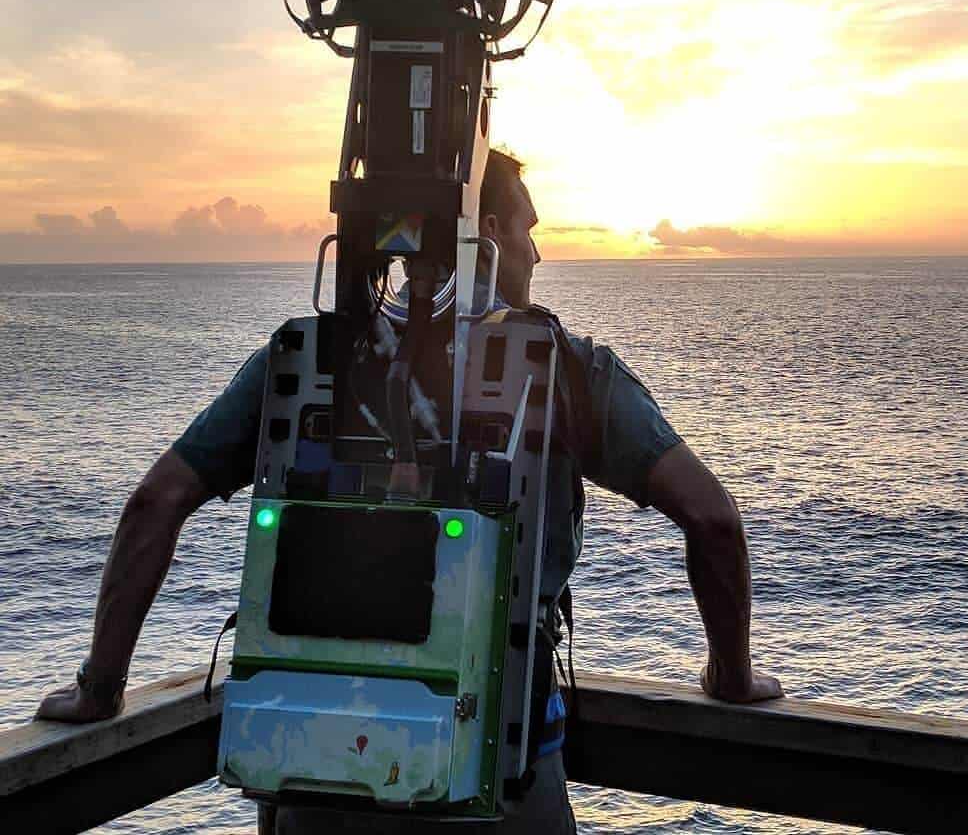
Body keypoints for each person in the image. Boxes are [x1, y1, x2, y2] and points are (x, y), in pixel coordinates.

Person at [37, 149, 783, 832]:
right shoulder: (565, 369)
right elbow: (712, 518)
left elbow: (155, 502)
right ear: (485, 228)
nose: (537, 249)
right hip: (503, 779)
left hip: (318, 777)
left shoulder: (307, 356)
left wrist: (101, 689)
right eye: (528, 228)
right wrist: (731, 676)